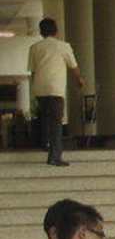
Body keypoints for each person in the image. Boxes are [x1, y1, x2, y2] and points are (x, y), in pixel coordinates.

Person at [27, 17, 84, 168]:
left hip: (40, 88)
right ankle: (55, 157)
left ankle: (45, 144)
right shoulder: (63, 46)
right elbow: (73, 66)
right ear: (56, 31)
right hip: (55, 88)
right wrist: (79, 79)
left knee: (45, 118)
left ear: (41, 32)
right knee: (56, 122)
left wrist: (34, 89)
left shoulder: (34, 48)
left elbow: (32, 71)